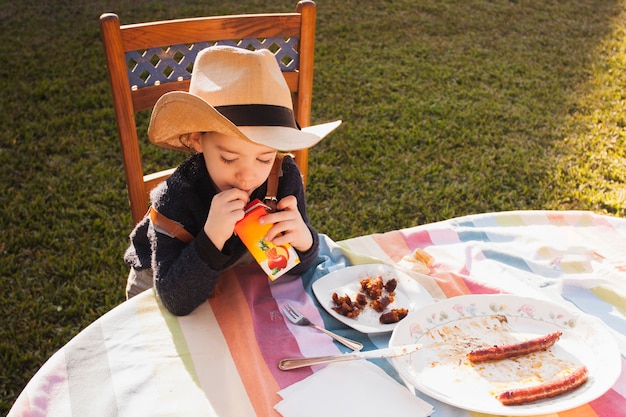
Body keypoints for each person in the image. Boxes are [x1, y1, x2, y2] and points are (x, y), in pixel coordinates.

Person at [123, 45, 341, 316]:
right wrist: (211, 236)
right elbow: (174, 301)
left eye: (264, 158)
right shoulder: (176, 198)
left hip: (231, 276)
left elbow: (296, 266)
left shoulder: (282, 177)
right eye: (228, 158)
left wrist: (305, 241)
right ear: (196, 139)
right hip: (161, 284)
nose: (248, 176)